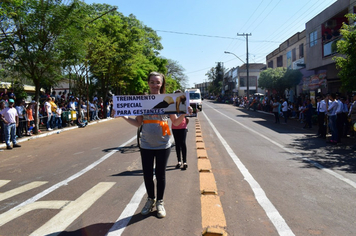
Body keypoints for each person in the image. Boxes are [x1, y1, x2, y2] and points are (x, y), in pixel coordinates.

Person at [120, 72, 192, 218]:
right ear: (148, 83)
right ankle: (150, 200)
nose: (154, 84)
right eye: (152, 82)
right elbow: (138, 123)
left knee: (160, 175)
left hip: (163, 144)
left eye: (157, 82)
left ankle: (160, 202)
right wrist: (123, 115)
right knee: (147, 175)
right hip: (146, 144)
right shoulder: (142, 101)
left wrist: (185, 113)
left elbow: (176, 122)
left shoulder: (168, 100)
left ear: (161, 84)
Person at [171, 90, 189, 170]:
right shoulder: (171, 106)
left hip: (183, 127)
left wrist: (194, 110)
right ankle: (179, 161)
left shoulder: (184, 104)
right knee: (177, 144)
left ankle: (184, 161)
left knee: (183, 143)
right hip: (175, 127)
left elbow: (192, 112)